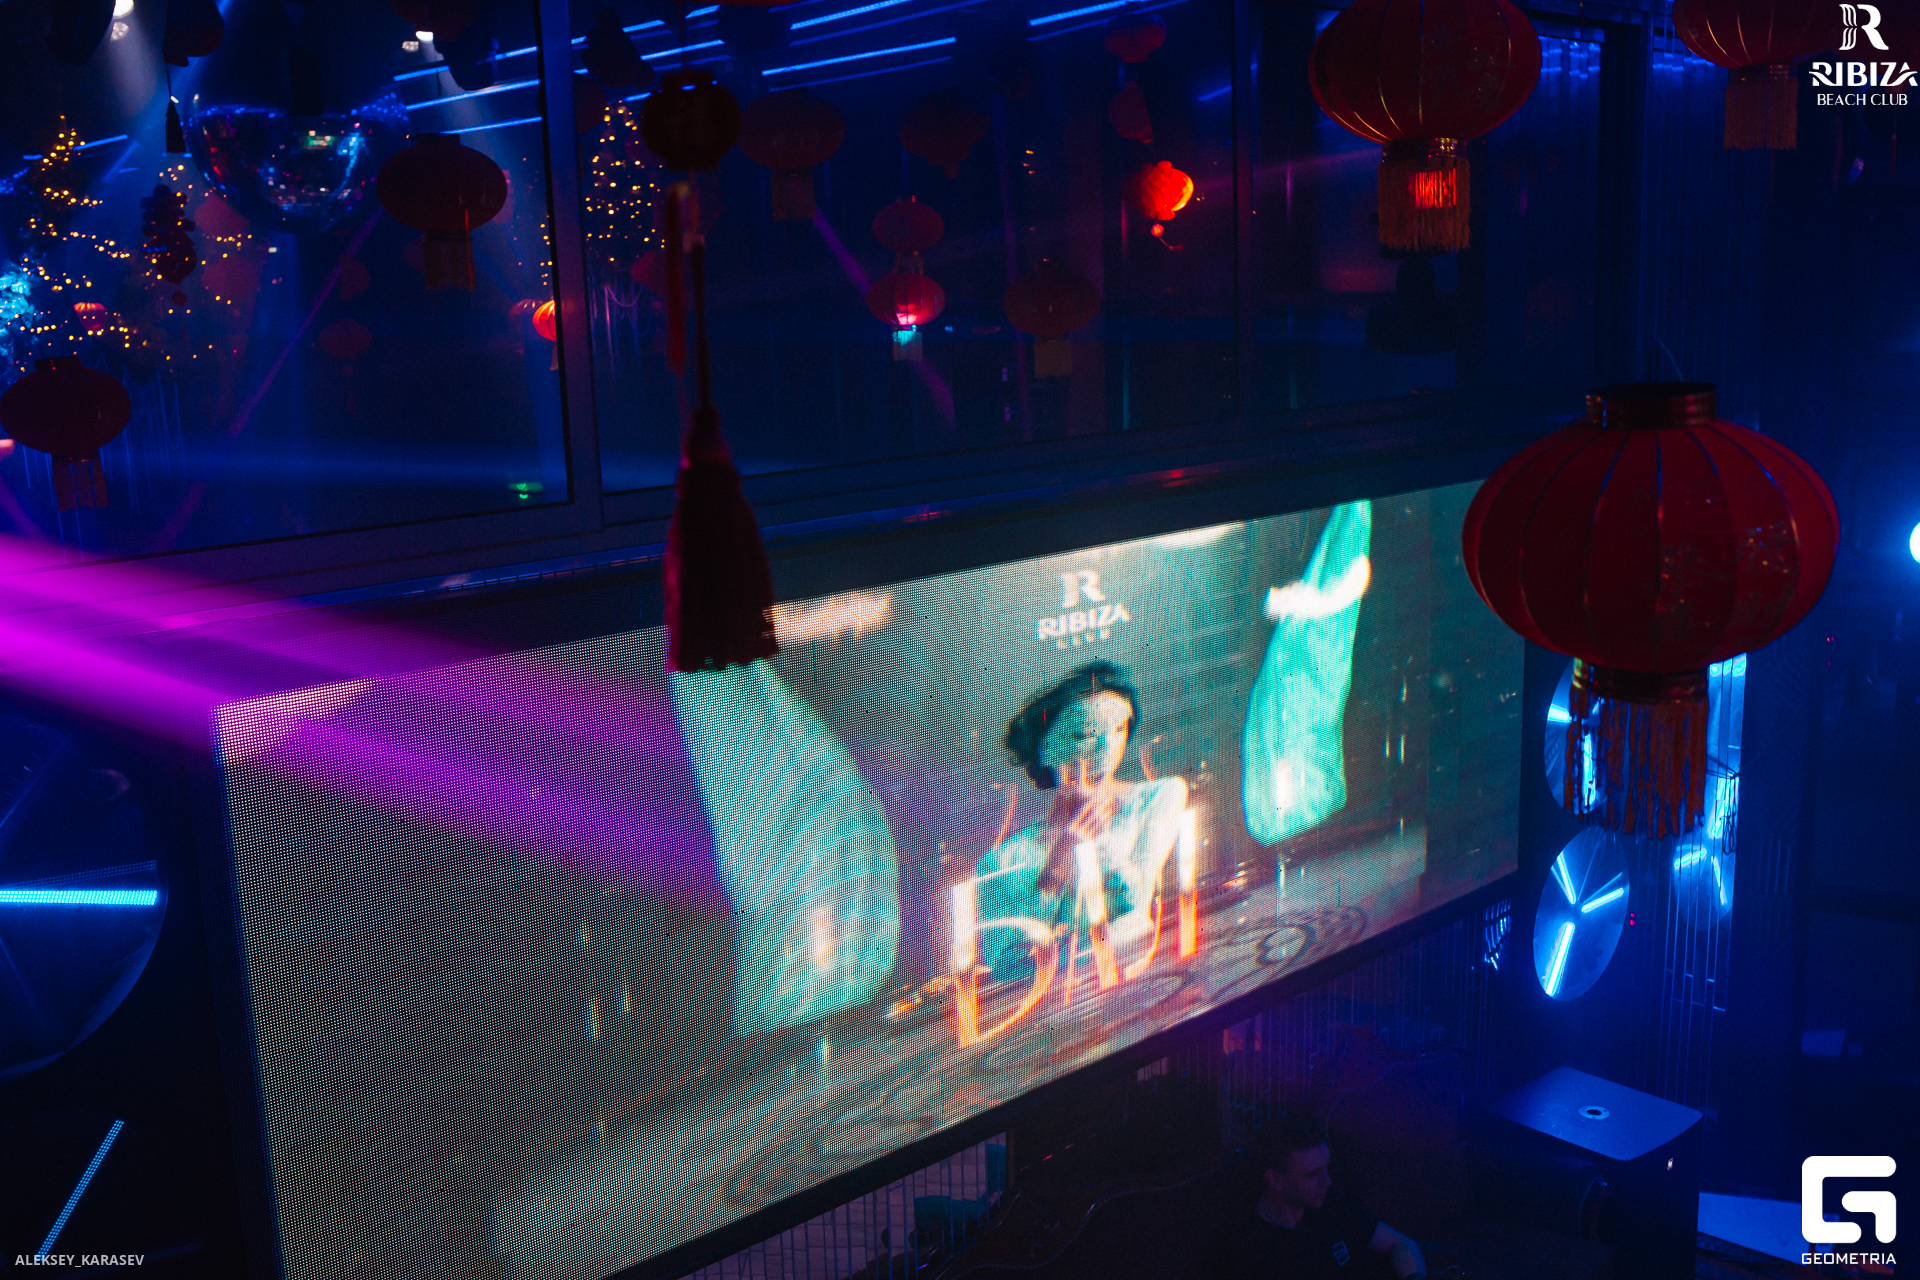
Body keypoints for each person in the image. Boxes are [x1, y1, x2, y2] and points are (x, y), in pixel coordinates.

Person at [969, 662, 1187, 982]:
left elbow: (1134, 907)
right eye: (1086, 735)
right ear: (1047, 751)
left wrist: (1095, 843)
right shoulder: (1001, 860)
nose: (1108, 747)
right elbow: (1008, 966)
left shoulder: (1158, 797)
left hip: (1140, 979)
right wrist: (1058, 865)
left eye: (1120, 728)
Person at [1206, 1114, 1427, 1280]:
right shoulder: (1241, 1246)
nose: (1327, 1181)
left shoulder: (1328, 1204)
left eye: (1327, 1168)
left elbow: (1402, 1244)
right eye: (1313, 1174)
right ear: (1275, 1180)